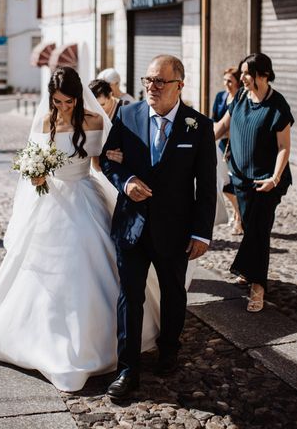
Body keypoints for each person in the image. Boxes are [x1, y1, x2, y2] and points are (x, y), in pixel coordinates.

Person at [0, 67, 162, 392]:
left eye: (68, 101)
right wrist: (36, 176)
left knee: (90, 264)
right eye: (57, 101)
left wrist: (113, 159)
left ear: (79, 97)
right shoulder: (44, 122)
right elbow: (35, 164)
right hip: (51, 201)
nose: (63, 107)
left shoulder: (94, 120)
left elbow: (98, 166)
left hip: (84, 196)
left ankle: (101, 343)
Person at [100, 55, 216, 398]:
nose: (151, 87)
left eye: (160, 81)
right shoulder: (127, 114)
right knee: (129, 297)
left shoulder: (198, 126)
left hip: (176, 229)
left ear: (179, 85)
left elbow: (206, 186)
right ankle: (127, 370)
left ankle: (169, 351)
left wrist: (201, 232)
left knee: (173, 294)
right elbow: (108, 159)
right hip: (131, 226)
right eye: (148, 80)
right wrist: (126, 181)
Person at [214, 53, 293, 313]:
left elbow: (283, 147)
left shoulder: (277, 105)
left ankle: (257, 286)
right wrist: (200, 141)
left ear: (264, 74)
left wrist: (275, 177)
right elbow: (223, 126)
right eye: (242, 73)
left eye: (248, 73)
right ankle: (249, 271)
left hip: (268, 180)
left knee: (259, 230)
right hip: (240, 176)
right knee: (250, 227)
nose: (243, 78)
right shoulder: (239, 97)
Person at [211, 67, 243, 235]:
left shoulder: (241, 100)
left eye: (230, 81)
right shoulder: (220, 97)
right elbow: (215, 120)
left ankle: (239, 217)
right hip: (220, 145)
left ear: (238, 82)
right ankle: (238, 212)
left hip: (235, 146)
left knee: (234, 182)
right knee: (222, 183)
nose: (226, 84)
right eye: (225, 80)